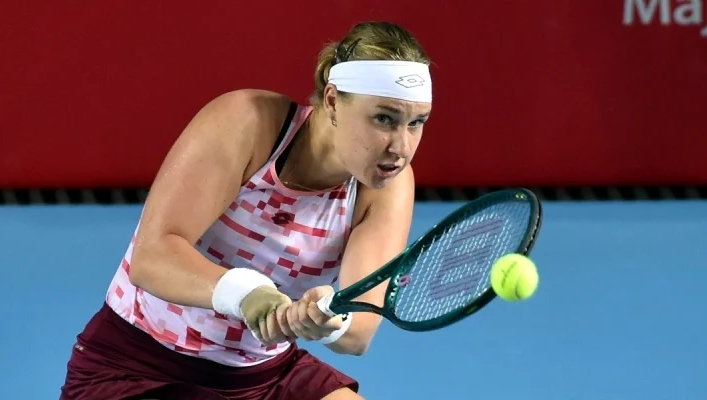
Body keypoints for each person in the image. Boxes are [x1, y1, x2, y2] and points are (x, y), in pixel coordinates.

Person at [60, 20, 433, 400]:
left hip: (264, 377)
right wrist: (248, 293)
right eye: (384, 118)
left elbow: (358, 332)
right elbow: (152, 258)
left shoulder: (388, 185)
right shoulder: (248, 123)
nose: (401, 148)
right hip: (139, 365)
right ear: (334, 100)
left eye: (417, 122)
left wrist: (326, 318)